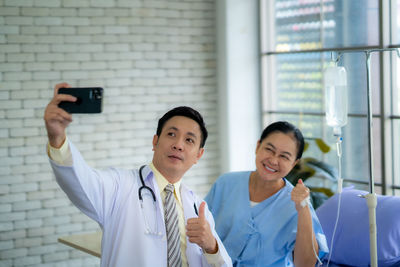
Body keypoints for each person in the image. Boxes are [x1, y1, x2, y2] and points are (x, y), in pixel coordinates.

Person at [44, 83, 232, 267]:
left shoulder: (198, 207)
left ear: (198, 155)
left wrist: (211, 246)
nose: (178, 145)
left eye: (189, 140)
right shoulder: (120, 186)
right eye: (171, 134)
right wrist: (57, 138)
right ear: (155, 141)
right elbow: (81, 181)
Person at [205, 121, 329, 267]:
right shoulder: (225, 184)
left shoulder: (298, 203)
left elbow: (305, 264)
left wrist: (303, 210)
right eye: (269, 149)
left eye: (284, 156)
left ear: (294, 163)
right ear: (258, 146)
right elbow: (201, 233)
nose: (273, 160)